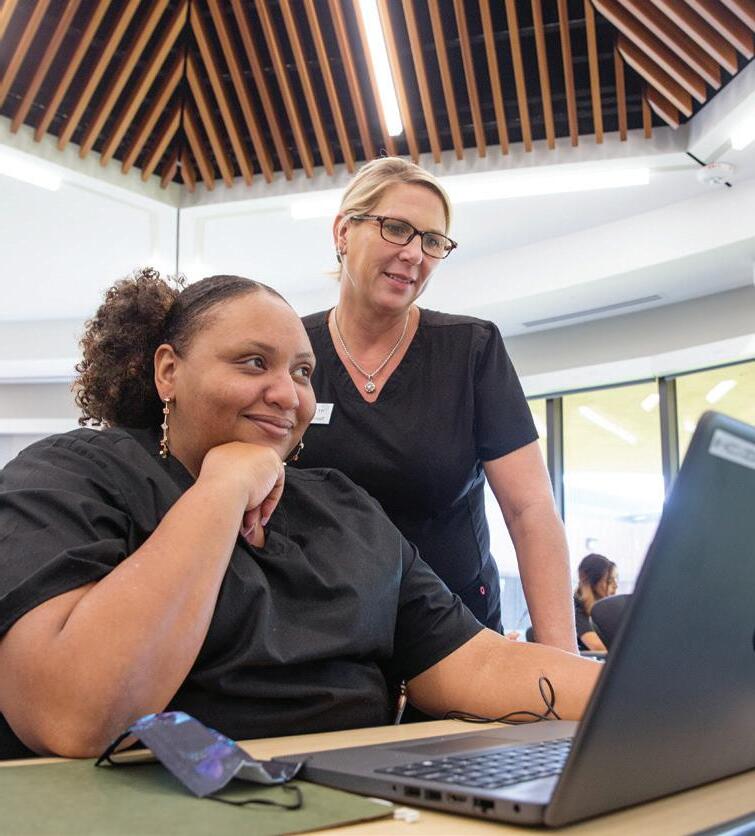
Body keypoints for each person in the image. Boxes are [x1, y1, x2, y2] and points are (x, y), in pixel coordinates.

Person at [0, 270, 599, 759]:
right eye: (253, 363)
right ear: (168, 371)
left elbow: (481, 663)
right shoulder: (73, 475)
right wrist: (223, 487)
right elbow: (74, 716)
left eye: (303, 372)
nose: (289, 395)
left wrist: (633, 695)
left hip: (361, 805)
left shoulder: (344, 507)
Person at [294, 157, 576, 650]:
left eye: (432, 241)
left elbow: (529, 509)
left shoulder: (471, 349)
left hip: (456, 631)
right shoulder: (293, 349)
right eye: (396, 228)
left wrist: (560, 658)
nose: (413, 254)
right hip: (323, 633)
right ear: (343, 232)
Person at [573, 554, 618, 652]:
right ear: (591, 581)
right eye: (609, 580)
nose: (615, 585)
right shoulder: (576, 608)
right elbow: (597, 647)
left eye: (616, 579)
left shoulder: (607, 609)